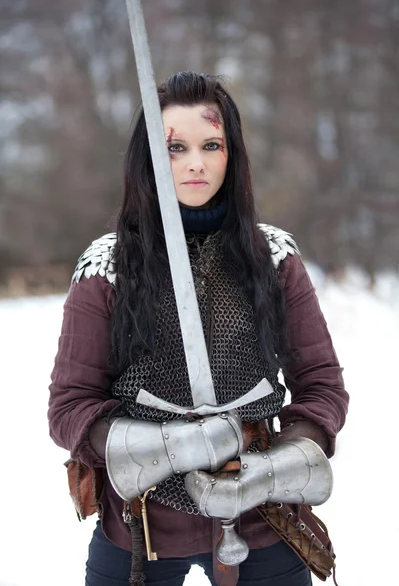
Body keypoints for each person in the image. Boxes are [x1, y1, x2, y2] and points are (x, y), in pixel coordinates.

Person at [48, 71, 349, 586]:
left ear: (232, 154)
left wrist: (271, 469)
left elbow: (322, 387)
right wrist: (173, 448)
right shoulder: (108, 265)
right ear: (148, 159)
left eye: (212, 144)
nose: (195, 163)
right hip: (140, 526)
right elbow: (70, 408)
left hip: (263, 517)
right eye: (174, 148)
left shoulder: (273, 257)